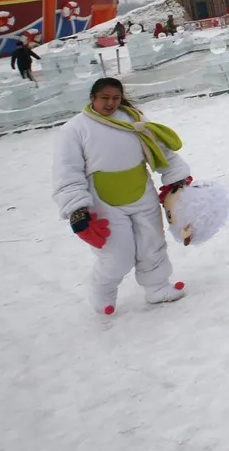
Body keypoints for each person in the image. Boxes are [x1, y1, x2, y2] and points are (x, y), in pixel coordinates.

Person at [52, 77, 194, 315]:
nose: (110, 103)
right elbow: (67, 171)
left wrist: (176, 177)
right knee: (118, 253)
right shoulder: (75, 129)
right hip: (104, 201)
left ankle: (157, 287)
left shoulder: (134, 120)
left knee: (152, 244)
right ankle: (102, 291)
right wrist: (77, 209)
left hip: (142, 193)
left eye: (115, 98)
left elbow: (160, 149)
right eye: (104, 98)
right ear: (92, 98)